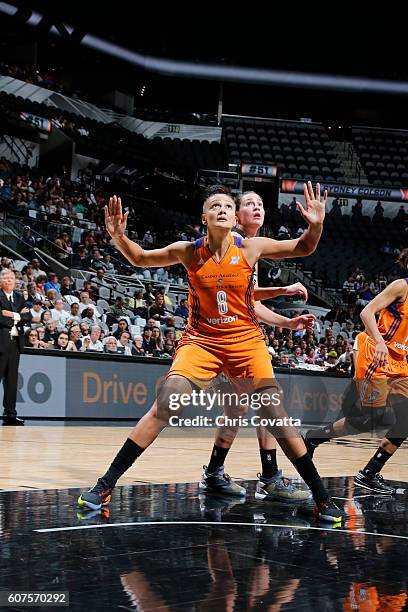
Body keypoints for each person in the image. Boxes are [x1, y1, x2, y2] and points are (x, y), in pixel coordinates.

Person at [78, 185, 344, 523]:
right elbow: (140, 257)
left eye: (228, 206)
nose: (221, 209)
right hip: (201, 342)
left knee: (276, 416)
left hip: (245, 342)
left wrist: (316, 224)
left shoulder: (250, 247)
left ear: (235, 218)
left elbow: (304, 246)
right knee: (167, 401)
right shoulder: (189, 251)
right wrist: (118, 235)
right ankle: (104, 486)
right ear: (204, 217)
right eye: (214, 205)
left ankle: (321, 497)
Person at [201, 190, 315, 502]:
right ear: (236, 214)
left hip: (234, 336)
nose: (258, 207)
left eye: (261, 203)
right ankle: (269, 477)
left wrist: (286, 317)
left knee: (238, 408)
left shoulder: (246, 247)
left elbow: (247, 298)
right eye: (250, 203)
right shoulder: (233, 243)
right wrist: (283, 302)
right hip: (225, 338)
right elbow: (243, 301)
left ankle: (215, 473)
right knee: (264, 403)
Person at [305, 248, 408, 495]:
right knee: (371, 419)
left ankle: (369, 473)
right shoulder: (401, 287)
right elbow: (366, 312)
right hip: (376, 350)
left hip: (400, 360)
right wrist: (381, 342)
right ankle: (313, 438)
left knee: (405, 420)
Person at [0, 268, 32, 425]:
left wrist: (12, 315)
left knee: (12, 381)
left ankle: (10, 414)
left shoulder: (19, 297)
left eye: (11, 278)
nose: (9, 280)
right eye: (5, 278)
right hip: (1, 343)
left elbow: (29, 316)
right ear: (0, 281)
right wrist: (19, 316)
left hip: (15, 343)